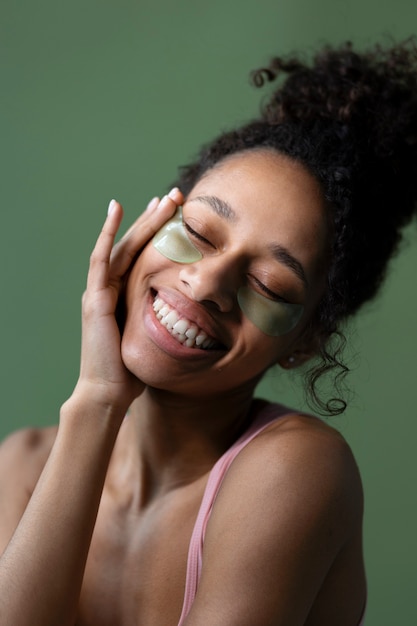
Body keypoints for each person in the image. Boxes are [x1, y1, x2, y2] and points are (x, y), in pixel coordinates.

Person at [0, 38, 416, 626]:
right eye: (197, 231)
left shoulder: (294, 471)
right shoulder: (17, 469)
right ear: (151, 225)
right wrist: (96, 402)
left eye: (271, 284)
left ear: (305, 343)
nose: (206, 284)